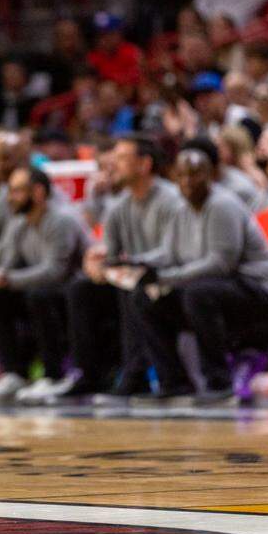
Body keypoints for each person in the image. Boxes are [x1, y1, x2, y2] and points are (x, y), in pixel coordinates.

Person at [125, 149, 268, 403]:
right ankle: (174, 383)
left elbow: (220, 264)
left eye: (195, 174)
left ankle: (219, 383)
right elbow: (169, 253)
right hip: (218, 289)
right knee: (144, 299)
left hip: (262, 290)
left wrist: (166, 278)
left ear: (210, 175)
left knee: (198, 293)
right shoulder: (181, 209)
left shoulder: (222, 205)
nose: (188, 181)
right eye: (181, 175)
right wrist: (136, 262)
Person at [0, 167, 86, 405]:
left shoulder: (61, 219)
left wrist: (4, 279)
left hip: (72, 291)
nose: (9, 197)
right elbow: (8, 262)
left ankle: (53, 375)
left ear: (38, 192)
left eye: (17, 191)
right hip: (38, 289)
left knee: (38, 296)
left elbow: (55, 272)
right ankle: (13, 374)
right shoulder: (18, 222)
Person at [81, 135, 184, 398]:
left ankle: (138, 375)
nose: (113, 164)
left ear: (144, 164)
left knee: (135, 288)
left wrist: (131, 262)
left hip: (173, 276)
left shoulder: (172, 199)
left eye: (122, 158)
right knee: (80, 290)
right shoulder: (119, 205)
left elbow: (174, 251)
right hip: (138, 274)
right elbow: (109, 250)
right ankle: (89, 376)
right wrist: (96, 262)